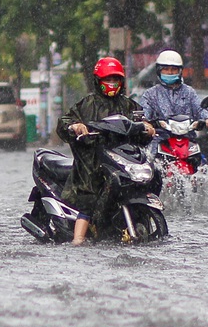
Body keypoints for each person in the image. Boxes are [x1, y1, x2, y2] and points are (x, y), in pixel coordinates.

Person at [57, 57, 154, 246]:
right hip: (92, 160)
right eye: (107, 80)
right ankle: (78, 239)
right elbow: (65, 122)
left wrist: (148, 128)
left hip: (122, 159)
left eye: (115, 80)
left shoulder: (129, 105)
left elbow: (143, 123)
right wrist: (76, 127)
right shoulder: (87, 104)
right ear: (98, 81)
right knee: (89, 193)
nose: (111, 84)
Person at [139, 50, 208, 148]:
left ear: (180, 71)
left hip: (188, 140)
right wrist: (147, 124)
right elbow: (144, 116)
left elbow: (199, 108)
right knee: (150, 159)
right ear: (159, 70)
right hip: (159, 141)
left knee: (200, 160)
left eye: (173, 69)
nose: (170, 72)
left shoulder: (189, 92)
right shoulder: (150, 94)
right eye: (165, 69)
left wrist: (207, 119)